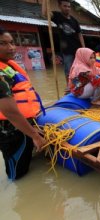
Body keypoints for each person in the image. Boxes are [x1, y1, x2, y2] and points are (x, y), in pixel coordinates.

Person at [0, 28, 46, 180]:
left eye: (12, 42)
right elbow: (10, 111)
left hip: (23, 126)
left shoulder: (10, 66)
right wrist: (35, 136)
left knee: (25, 160)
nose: (11, 48)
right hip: (10, 131)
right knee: (16, 175)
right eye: (3, 44)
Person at [42, 0, 85, 86]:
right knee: (68, 70)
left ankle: (79, 86)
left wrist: (84, 48)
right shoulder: (57, 16)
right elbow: (45, 14)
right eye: (65, 6)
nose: (67, 8)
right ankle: (69, 87)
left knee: (80, 70)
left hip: (77, 50)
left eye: (69, 6)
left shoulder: (74, 21)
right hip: (66, 50)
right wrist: (44, 1)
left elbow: (80, 34)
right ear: (60, 6)